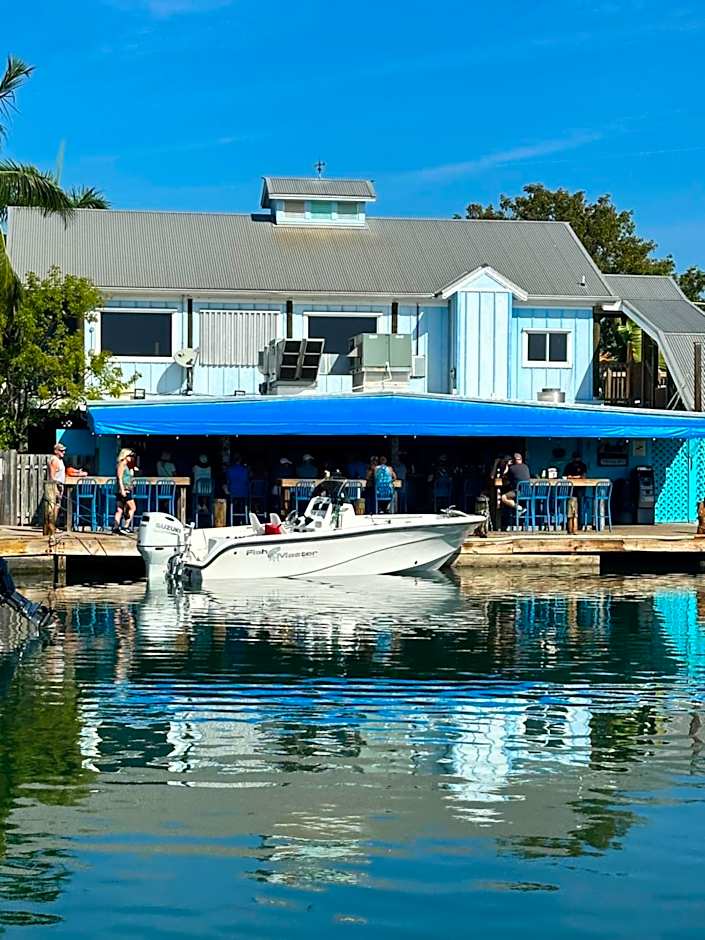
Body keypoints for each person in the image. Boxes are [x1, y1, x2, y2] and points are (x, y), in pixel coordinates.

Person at [113, 448, 137, 534]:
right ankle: (125, 526)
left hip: (125, 488)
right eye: (130, 456)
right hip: (124, 489)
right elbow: (119, 478)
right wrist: (122, 489)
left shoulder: (127, 465)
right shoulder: (122, 464)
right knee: (132, 507)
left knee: (120, 509)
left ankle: (116, 527)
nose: (131, 457)